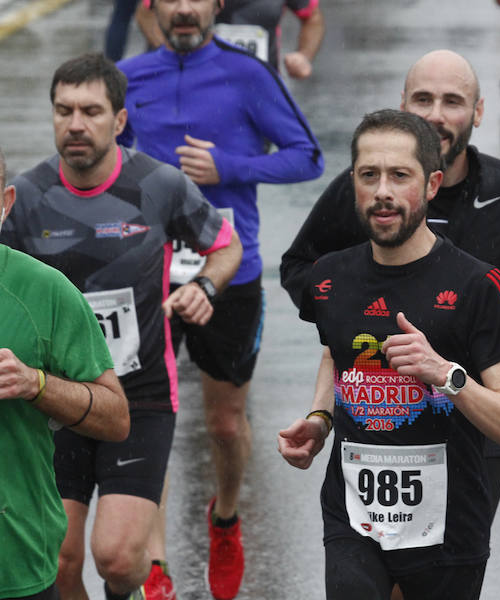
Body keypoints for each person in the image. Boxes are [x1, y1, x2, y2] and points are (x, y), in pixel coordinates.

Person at [280, 48, 500, 520]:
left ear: (478, 112)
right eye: (423, 100)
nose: (436, 116)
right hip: (389, 405)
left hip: (479, 402)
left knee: (447, 561)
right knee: (379, 561)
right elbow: (301, 264)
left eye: (453, 102)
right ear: (403, 105)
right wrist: (350, 314)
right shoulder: (367, 189)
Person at [2, 53, 242, 600]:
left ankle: (131, 586)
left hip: (142, 391)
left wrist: (204, 287)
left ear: (120, 119)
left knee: (115, 556)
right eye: (63, 111)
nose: (76, 124)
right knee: (62, 559)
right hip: (59, 395)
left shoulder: (159, 185)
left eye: (91, 110)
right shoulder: (25, 197)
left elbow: (226, 246)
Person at [278, 108, 500, 600]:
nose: (382, 192)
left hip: (450, 530)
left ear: (433, 183)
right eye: (368, 175)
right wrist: (319, 419)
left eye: (400, 176)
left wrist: (444, 374)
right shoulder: (330, 279)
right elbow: (339, 356)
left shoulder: (476, 285)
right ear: (351, 184)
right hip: (354, 519)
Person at [117, 0, 324, 596]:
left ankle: (226, 519)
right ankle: (155, 566)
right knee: (143, 417)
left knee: (227, 425)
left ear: (214, 6)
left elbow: (306, 156)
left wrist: (227, 166)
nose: (185, 8)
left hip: (228, 268)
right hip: (144, 273)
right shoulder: (128, 79)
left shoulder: (247, 75)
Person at [0, 146, 129, 600]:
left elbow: (115, 418)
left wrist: (35, 384)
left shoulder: (45, 291)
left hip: (15, 561)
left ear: (5, 204)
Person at [136, 0, 325, 78]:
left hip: (256, 81)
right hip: (188, 76)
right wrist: (168, 48)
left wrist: (304, 56)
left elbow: (312, 17)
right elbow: (146, 12)